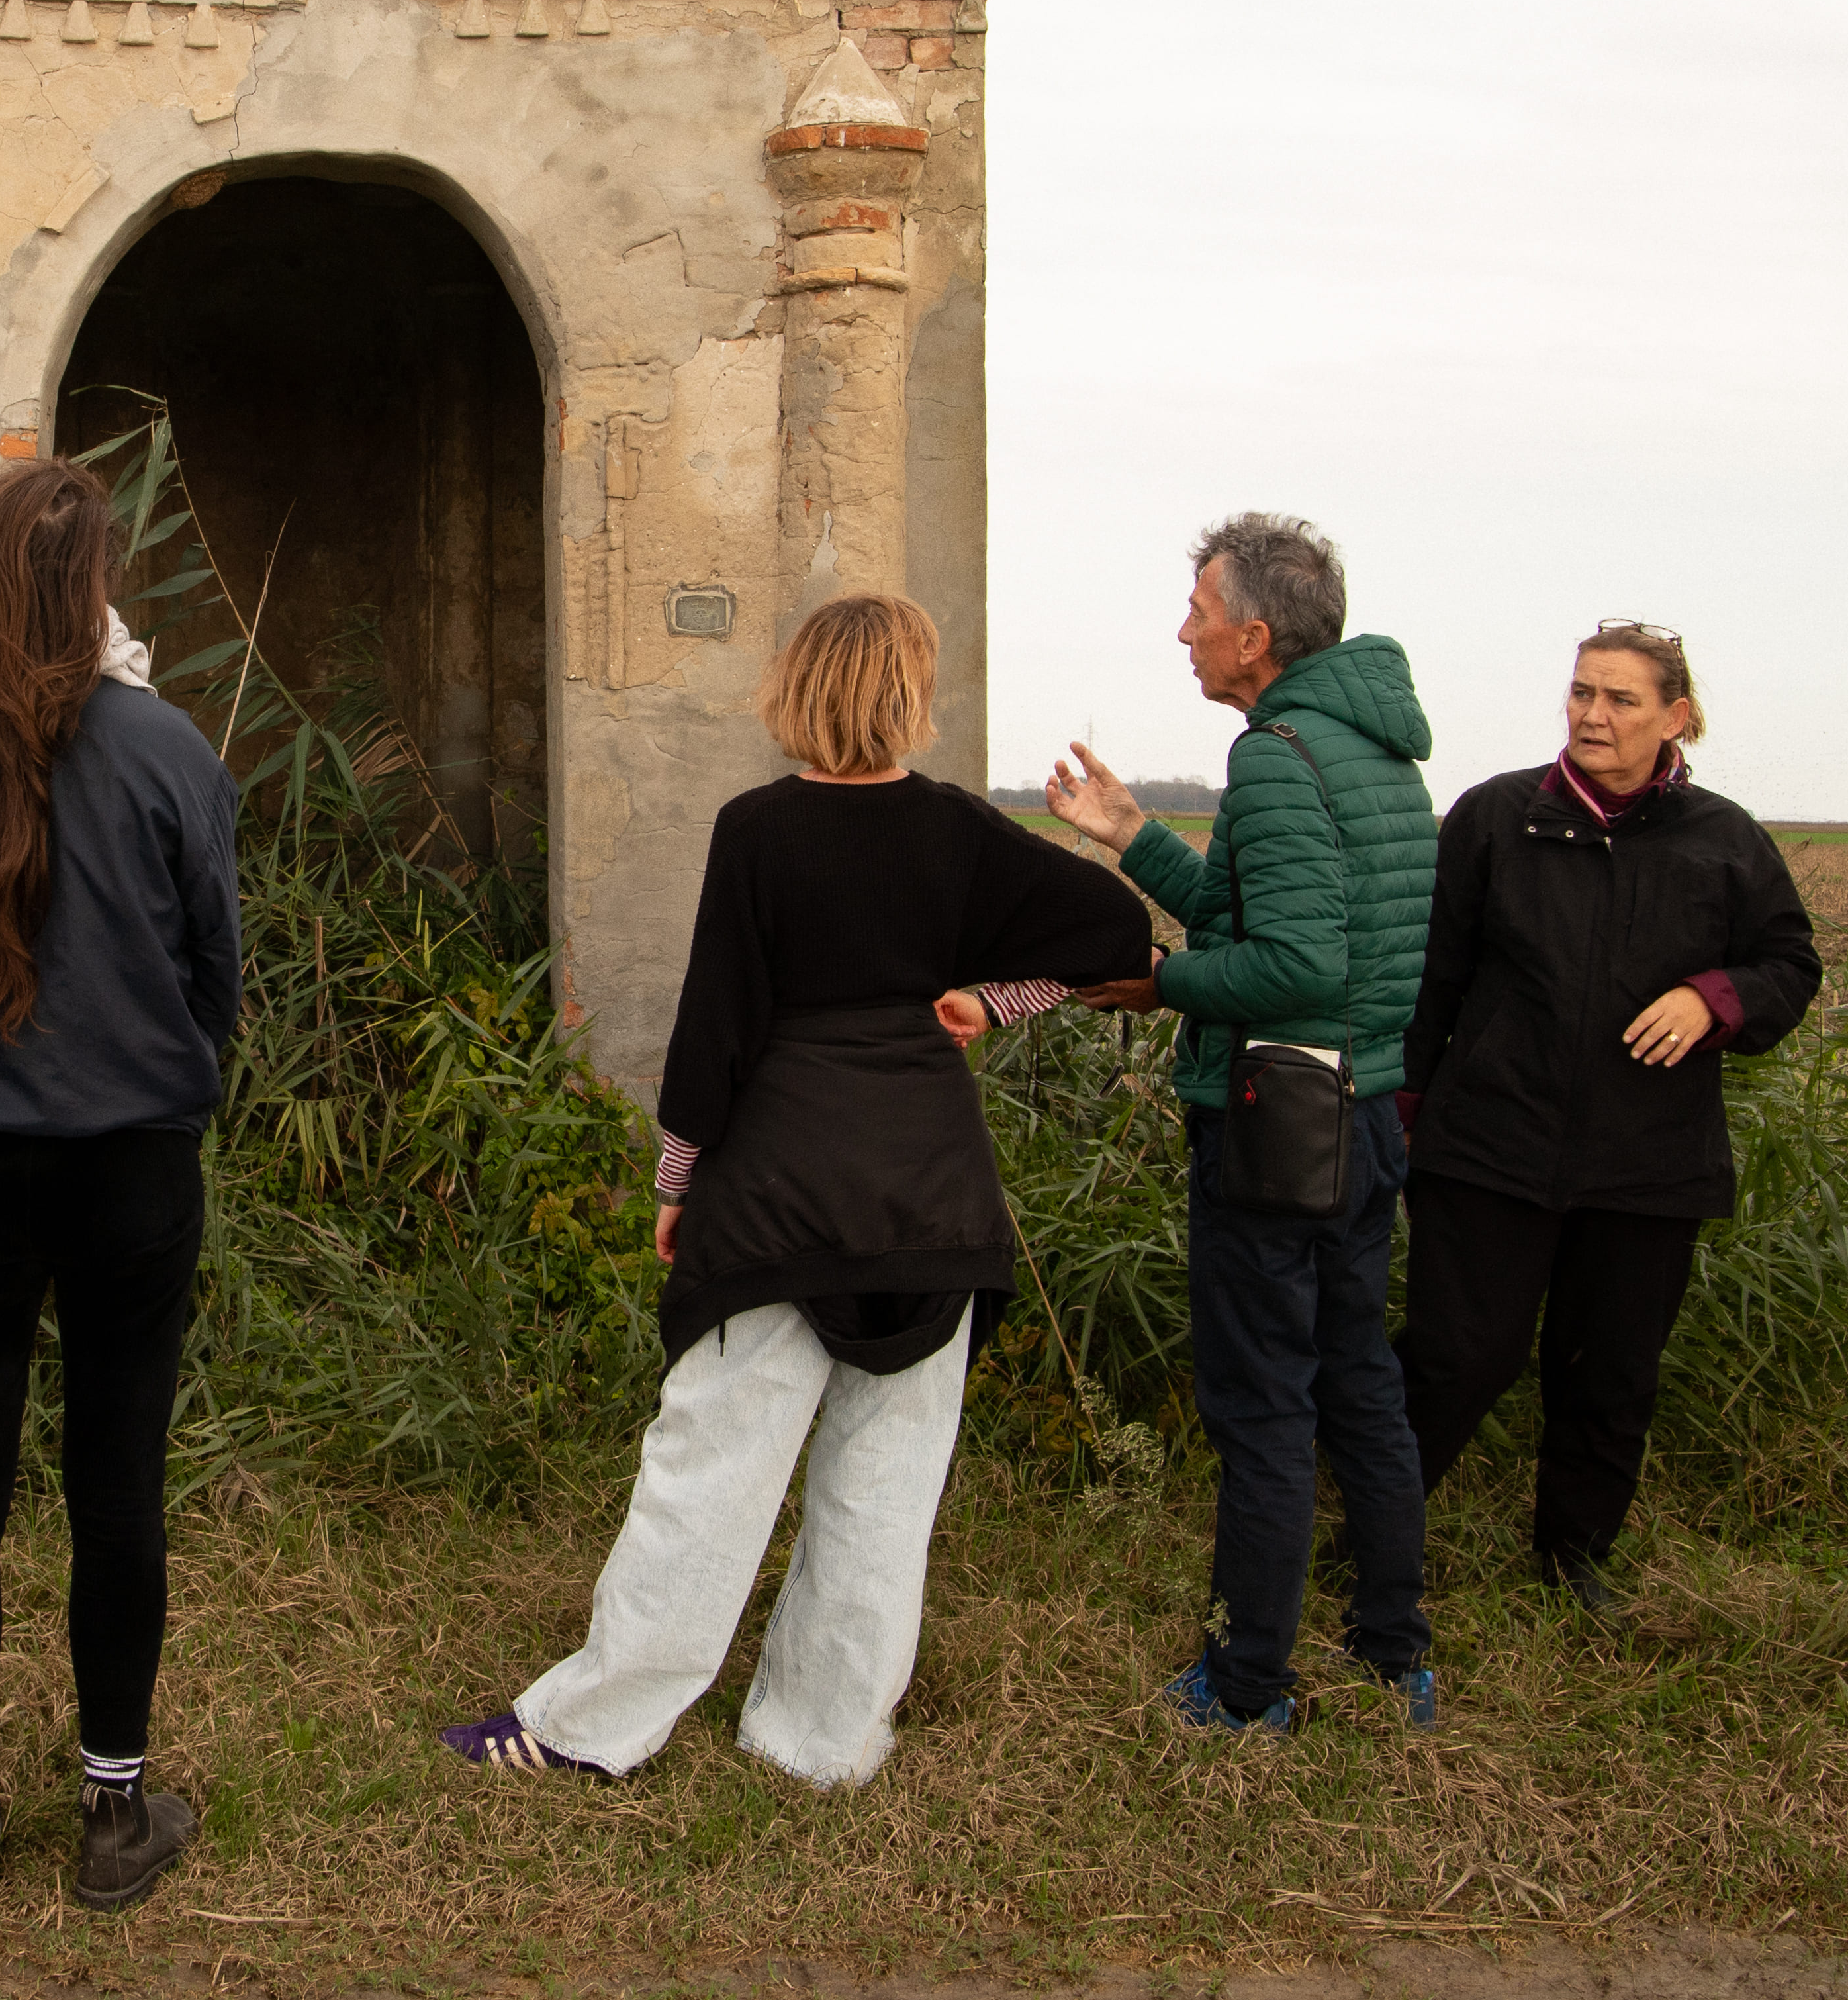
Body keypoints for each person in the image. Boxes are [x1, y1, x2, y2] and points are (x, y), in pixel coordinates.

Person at [441, 593, 1152, 1789]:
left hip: (778, 1191)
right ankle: (823, 1746)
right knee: (887, 1489)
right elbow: (1117, 933)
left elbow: (716, 1024)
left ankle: (586, 1730)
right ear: (909, 696)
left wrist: (679, 1179)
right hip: (931, 1200)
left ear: (799, 688)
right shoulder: (959, 833)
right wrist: (999, 1000)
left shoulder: (759, 828)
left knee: (708, 1472)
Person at [0, 461, 239, 1916]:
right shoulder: (169, 748)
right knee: (115, 1476)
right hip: (134, 1161)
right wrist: (159, 1067)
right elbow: (219, 973)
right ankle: (114, 1814)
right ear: (92, 590)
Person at [1046, 512, 1440, 1733]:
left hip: (1278, 1130)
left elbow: (1287, 968)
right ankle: (1393, 1652)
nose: (1185, 632)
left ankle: (1248, 1683)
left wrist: (1155, 984)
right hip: (1366, 1117)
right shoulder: (1366, 748)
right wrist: (1131, 841)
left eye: (1201, 613)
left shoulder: (1275, 758)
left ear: (1256, 637)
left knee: (1264, 1403)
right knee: (1360, 1381)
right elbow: (1249, 905)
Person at [1395, 622, 1822, 1611]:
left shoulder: (1723, 840)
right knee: (1457, 1358)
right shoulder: (1498, 817)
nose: (1592, 714)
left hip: (1649, 1163)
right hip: (1491, 1148)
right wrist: (1405, 1113)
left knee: (1610, 1371)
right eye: (1582, 693)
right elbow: (1433, 980)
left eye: (1621, 699)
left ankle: (1574, 1556)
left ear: (1677, 718)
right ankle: (1377, 1531)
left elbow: (1790, 966)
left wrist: (1715, 998)